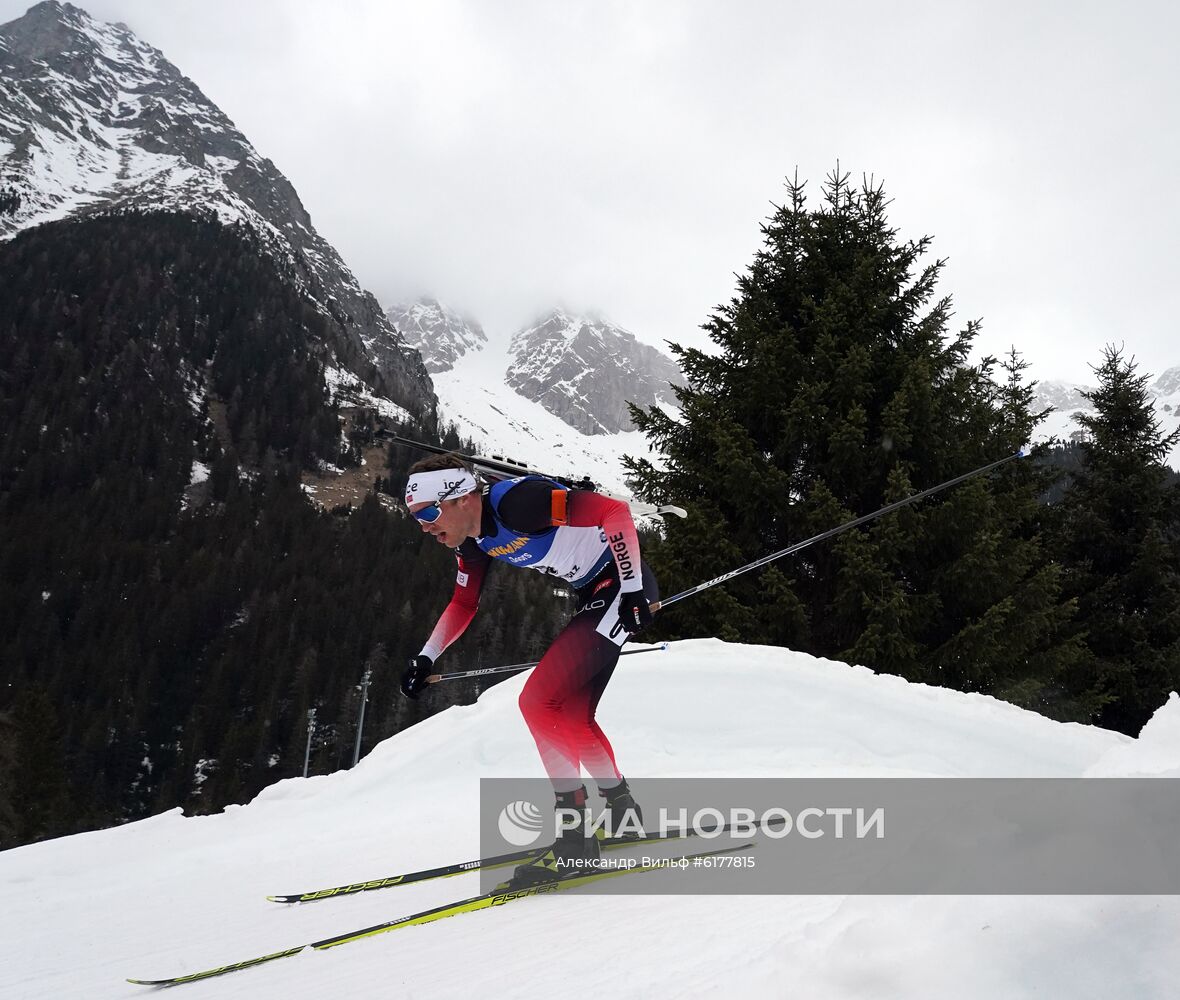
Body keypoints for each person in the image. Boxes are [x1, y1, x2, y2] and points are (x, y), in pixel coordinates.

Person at [399, 453, 658, 887]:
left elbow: (614, 512)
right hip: (597, 592)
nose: (424, 526)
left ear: (462, 498)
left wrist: (632, 590)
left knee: (538, 703)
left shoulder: (521, 502)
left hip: (621, 586)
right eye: (415, 518)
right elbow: (464, 603)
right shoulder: (471, 542)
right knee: (572, 716)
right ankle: (621, 810)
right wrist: (426, 656)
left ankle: (575, 841)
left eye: (428, 512)